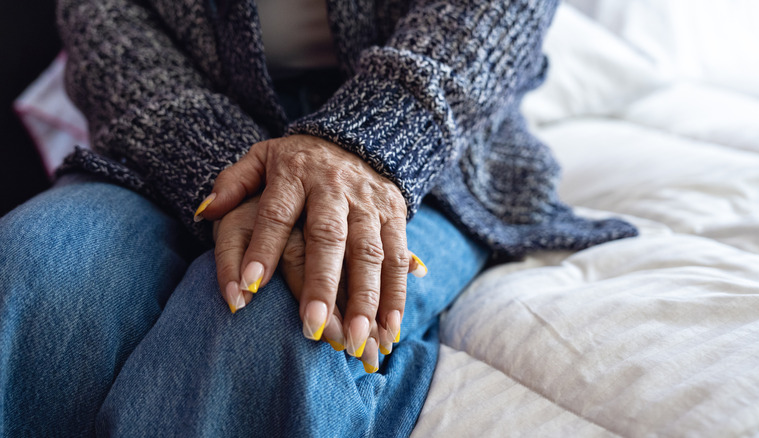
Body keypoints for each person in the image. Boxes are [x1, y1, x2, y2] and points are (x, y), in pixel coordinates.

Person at [0, 0, 636, 436]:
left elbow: (494, 17)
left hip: (425, 148)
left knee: (280, 314)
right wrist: (244, 175)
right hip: (180, 127)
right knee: (34, 263)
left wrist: (370, 144)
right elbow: (106, 26)